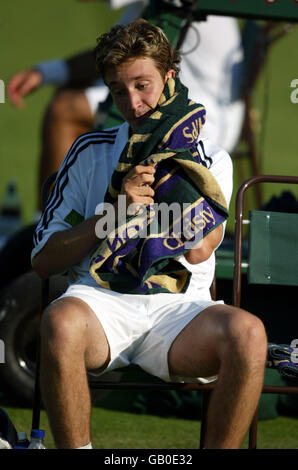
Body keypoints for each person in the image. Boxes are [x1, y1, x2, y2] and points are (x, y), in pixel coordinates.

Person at [31, 18, 267, 449]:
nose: (133, 103)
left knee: (249, 333)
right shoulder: (89, 150)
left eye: (142, 85)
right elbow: (43, 259)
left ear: (169, 76)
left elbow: (198, 254)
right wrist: (114, 212)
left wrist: (176, 188)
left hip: (180, 313)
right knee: (59, 320)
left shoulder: (210, 156)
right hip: (101, 304)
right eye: (119, 90)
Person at [7, 0, 244, 206]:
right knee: (70, 94)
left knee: (64, 109)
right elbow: (117, 59)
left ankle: (47, 221)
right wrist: (46, 73)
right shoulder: (150, 12)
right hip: (210, 108)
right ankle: (60, 220)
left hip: (196, 114)